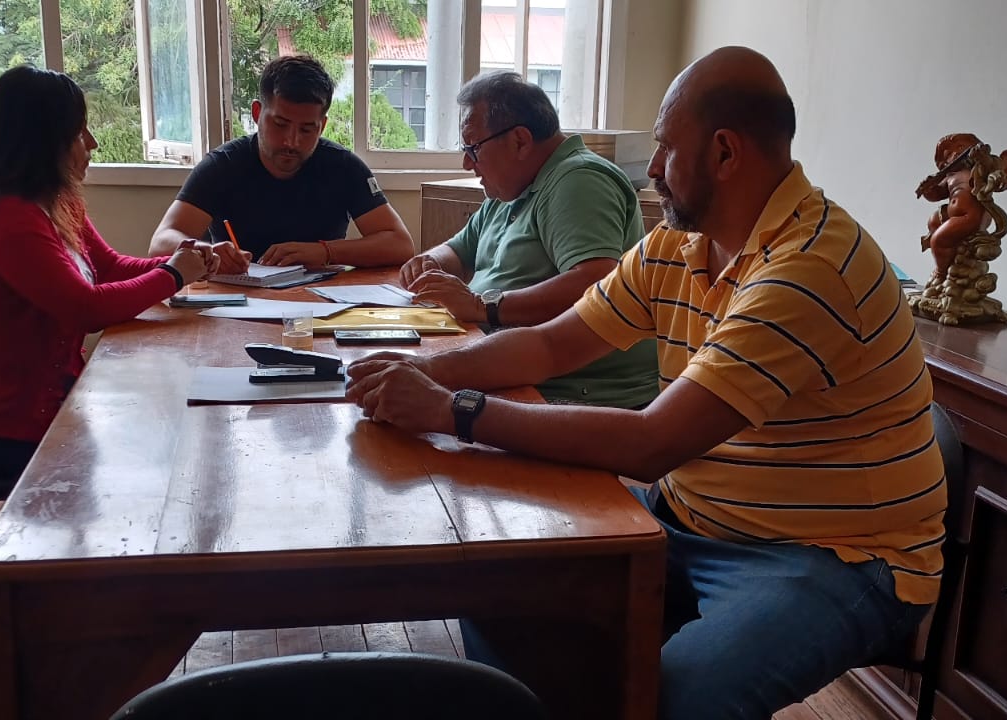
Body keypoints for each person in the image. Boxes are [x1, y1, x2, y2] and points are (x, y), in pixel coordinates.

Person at [346, 47, 944, 719]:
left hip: (835, 555)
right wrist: (420, 371)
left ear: (725, 153)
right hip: (692, 517)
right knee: (499, 587)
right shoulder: (678, 244)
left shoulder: (810, 268)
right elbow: (551, 345)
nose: (653, 167)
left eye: (665, 146)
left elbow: (652, 442)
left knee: (684, 697)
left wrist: (452, 409)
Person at [0, 65, 211, 480]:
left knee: (157, 425)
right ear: (42, 142)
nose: (92, 143)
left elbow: (109, 267)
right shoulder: (5, 216)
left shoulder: (56, 201)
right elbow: (84, 309)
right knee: (145, 447)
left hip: (31, 399)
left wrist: (186, 262)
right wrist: (174, 275)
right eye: (79, 132)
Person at [400, 71, 658, 409]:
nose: (466, 164)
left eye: (473, 148)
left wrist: (482, 306)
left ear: (520, 141)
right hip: (511, 363)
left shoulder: (579, 180)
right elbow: (460, 250)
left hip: (575, 391)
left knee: (403, 411)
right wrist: (430, 263)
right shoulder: (511, 188)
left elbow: (595, 283)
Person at [148, 55, 414, 272]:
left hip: (322, 303)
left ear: (322, 126)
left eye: (307, 129)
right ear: (257, 113)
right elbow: (161, 241)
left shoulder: (343, 166)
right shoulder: (222, 165)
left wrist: (325, 251)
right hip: (235, 302)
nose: (291, 141)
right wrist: (206, 252)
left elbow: (400, 244)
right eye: (280, 124)